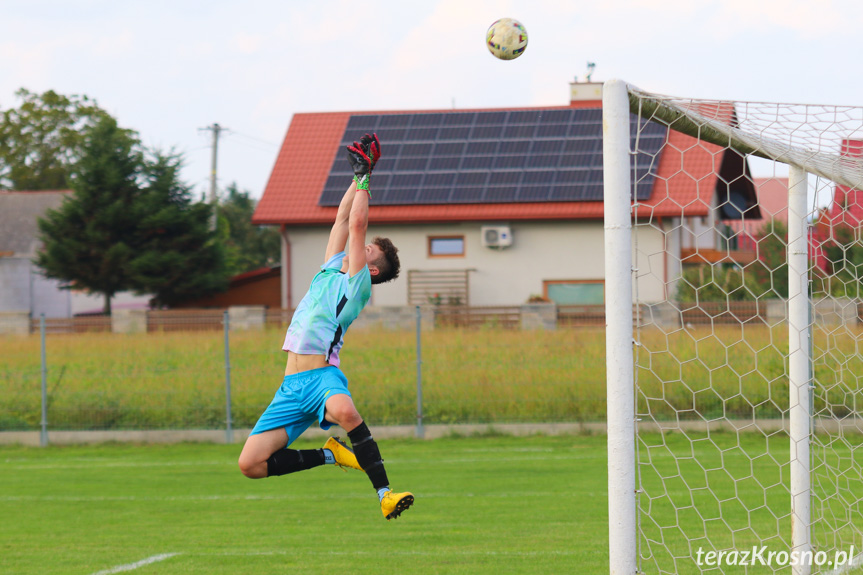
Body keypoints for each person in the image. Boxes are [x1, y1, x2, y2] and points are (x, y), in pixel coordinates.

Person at [238, 133, 414, 520]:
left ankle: (384, 492)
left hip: (322, 378)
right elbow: (341, 217)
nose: (361, 244)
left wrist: (366, 180)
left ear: (371, 268)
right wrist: (359, 174)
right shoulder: (333, 266)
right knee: (250, 464)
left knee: (346, 412)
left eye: (368, 249)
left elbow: (355, 225)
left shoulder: (358, 283)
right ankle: (329, 454)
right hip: (290, 387)